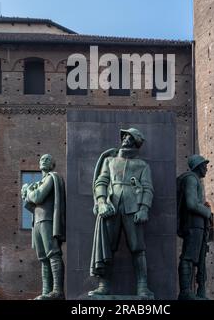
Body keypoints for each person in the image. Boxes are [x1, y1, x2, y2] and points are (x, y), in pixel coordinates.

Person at [89, 128, 154, 299]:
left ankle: (142, 287)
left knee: (138, 248)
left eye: (129, 136)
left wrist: (144, 208)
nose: (125, 138)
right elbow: (101, 182)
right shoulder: (110, 161)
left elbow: (148, 188)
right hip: (111, 208)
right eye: (124, 136)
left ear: (135, 141)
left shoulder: (142, 165)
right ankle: (103, 285)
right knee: (107, 247)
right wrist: (101, 201)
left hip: (134, 209)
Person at [21, 154, 66, 300]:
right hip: (37, 222)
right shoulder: (39, 182)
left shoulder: (51, 178)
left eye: (48, 159)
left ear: (52, 164)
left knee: (53, 254)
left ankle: (57, 290)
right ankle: (46, 291)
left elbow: (38, 197)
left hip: (48, 220)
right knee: (43, 258)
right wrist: (28, 195)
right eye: (42, 159)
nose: (44, 161)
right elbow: (31, 204)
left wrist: (28, 191)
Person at [177, 154, 214, 300]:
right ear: (198, 166)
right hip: (194, 224)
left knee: (198, 260)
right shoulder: (191, 179)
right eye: (204, 165)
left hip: (197, 225)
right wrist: (207, 212)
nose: (206, 168)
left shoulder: (194, 180)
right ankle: (185, 291)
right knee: (189, 257)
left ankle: (198, 292)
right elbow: (191, 203)